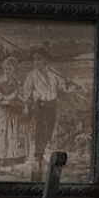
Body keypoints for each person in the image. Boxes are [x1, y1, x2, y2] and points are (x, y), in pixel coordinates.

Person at [20, 48, 75, 177]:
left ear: (45, 59)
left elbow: (63, 87)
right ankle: (38, 156)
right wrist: (25, 103)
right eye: (34, 59)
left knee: (49, 129)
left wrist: (68, 83)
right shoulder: (32, 75)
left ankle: (41, 150)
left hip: (52, 104)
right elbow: (26, 92)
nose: (36, 62)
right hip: (40, 105)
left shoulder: (53, 73)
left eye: (39, 59)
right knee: (40, 128)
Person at [0, 57, 26, 172]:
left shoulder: (16, 83)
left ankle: (13, 166)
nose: (7, 71)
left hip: (12, 114)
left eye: (10, 69)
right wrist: (6, 102)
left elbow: (19, 97)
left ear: (14, 70)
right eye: (6, 68)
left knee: (12, 138)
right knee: (1, 137)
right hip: (2, 113)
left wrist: (19, 100)